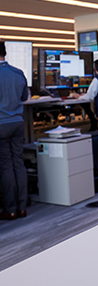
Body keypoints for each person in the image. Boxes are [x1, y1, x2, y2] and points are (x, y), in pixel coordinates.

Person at [0, 41, 29, 220]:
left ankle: (10, 209)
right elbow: (24, 97)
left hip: (1, 125)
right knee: (18, 163)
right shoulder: (18, 73)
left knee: (6, 166)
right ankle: (23, 207)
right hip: (18, 123)